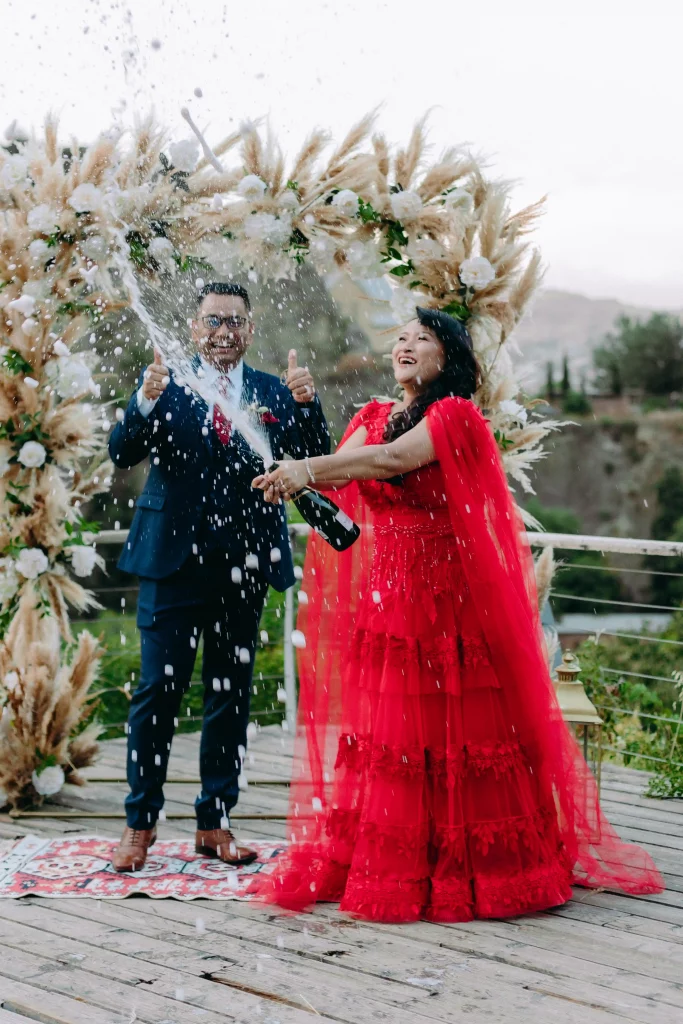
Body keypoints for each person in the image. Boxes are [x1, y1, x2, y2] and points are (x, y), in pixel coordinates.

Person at [251, 305, 663, 922]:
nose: (407, 344)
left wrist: (304, 469)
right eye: (402, 337)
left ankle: (472, 869)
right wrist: (303, 419)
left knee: (457, 733)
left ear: (450, 358)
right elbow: (339, 474)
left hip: (443, 601)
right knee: (395, 737)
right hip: (387, 601)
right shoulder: (373, 415)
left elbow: (388, 463)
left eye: (424, 337)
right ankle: (404, 859)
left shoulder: (455, 415)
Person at [108, 282, 330, 872]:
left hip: (244, 564)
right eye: (213, 321)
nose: (224, 331)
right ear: (193, 326)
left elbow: (316, 462)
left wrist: (307, 406)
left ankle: (216, 821)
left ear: (250, 329)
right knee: (157, 692)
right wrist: (144, 403)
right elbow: (121, 452)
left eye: (235, 321)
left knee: (229, 694)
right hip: (171, 564)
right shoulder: (166, 382)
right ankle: (139, 824)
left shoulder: (274, 393)